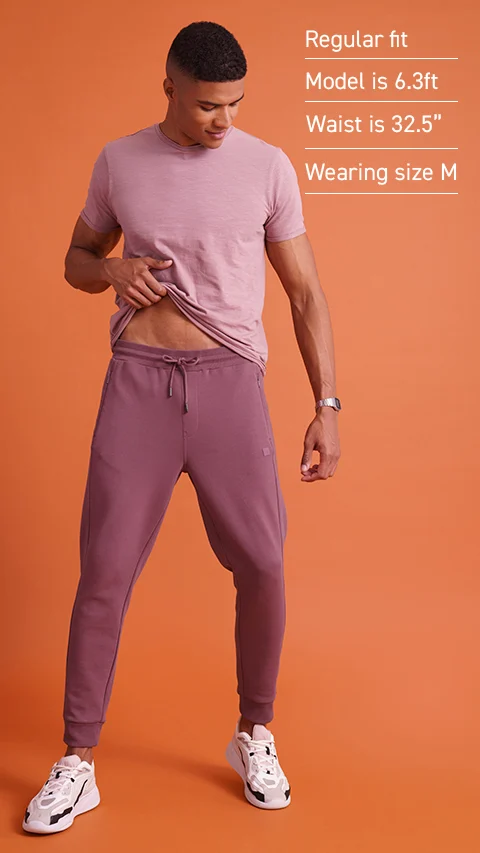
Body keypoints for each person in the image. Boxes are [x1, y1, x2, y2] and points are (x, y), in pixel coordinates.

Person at [22, 20, 341, 834]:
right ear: (169, 87)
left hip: (230, 384)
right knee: (104, 571)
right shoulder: (119, 161)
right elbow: (75, 259)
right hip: (139, 386)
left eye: (235, 103)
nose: (223, 120)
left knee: (264, 563)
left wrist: (327, 406)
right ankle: (77, 761)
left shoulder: (268, 167)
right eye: (206, 105)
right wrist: (111, 269)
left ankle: (254, 733)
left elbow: (305, 292)